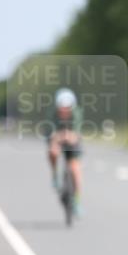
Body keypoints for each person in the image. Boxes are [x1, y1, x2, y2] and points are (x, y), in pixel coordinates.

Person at [45, 87, 84, 216]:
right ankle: (55, 174)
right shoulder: (51, 114)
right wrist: (60, 137)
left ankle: (77, 201)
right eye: (62, 108)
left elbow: (76, 135)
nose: (64, 111)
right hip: (56, 139)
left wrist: (69, 136)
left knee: (75, 170)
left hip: (72, 140)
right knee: (53, 151)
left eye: (67, 108)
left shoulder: (77, 113)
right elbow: (51, 136)